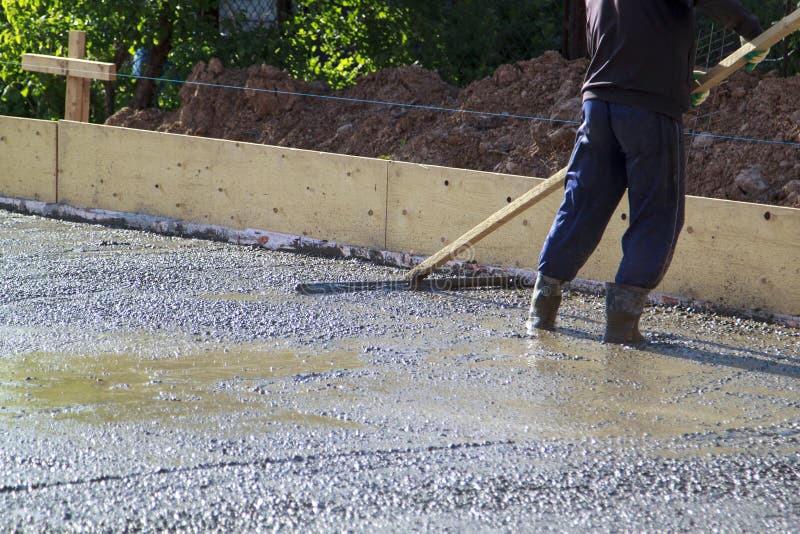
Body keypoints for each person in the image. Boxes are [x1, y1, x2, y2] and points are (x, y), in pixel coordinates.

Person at [527, 0, 769, 344]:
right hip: (649, 108)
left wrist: (679, 81)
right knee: (657, 212)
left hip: (598, 103)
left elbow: (622, 34)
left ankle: (542, 309)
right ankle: (622, 325)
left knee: (582, 203)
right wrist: (751, 31)